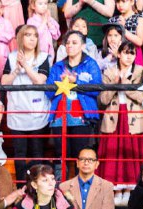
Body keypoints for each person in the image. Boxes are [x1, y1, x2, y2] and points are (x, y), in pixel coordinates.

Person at [46, 31, 102, 176]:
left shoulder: (91, 64)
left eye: (74, 42)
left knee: (81, 155)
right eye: (68, 43)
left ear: (83, 45)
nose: (69, 45)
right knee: (61, 155)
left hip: (82, 117)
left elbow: (97, 89)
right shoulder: (58, 66)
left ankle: (79, 189)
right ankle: (59, 188)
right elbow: (48, 91)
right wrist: (62, 84)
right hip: (60, 117)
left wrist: (75, 81)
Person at [0, 24, 51, 183]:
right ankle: (22, 185)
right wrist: (16, 69)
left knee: (37, 153)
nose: (32, 38)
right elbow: (4, 82)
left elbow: (39, 81)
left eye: (35, 35)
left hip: (37, 114)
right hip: (17, 113)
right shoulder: (11, 56)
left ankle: (38, 184)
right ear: (21, 38)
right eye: (28, 35)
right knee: (19, 154)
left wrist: (26, 65)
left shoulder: (43, 57)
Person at [98, 41, 143, 185]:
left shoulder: (140, 71)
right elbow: (103, 99)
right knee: (113, 154)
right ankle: (113, 188)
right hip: (114, 116)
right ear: (119, 54)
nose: (129, 57)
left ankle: (132, 187)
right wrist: (115, 85)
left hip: (133, 117)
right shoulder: (109, 72)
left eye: (132, 53)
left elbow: (142, 97)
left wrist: (125, 85)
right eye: (126, 53)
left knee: (133, 152)